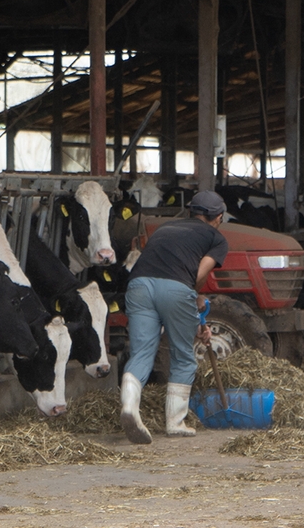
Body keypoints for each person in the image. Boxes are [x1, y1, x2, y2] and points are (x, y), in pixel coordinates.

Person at [119, 190, 229, 444]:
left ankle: (129, 406)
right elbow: (197, 277)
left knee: (142, 353)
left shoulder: (166, 229)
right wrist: (195, 302)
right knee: (182, 355)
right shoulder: (217, 238)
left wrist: (193, 308)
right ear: (218, 217)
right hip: (176, 289)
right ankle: (175, 422)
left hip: (138, 286)